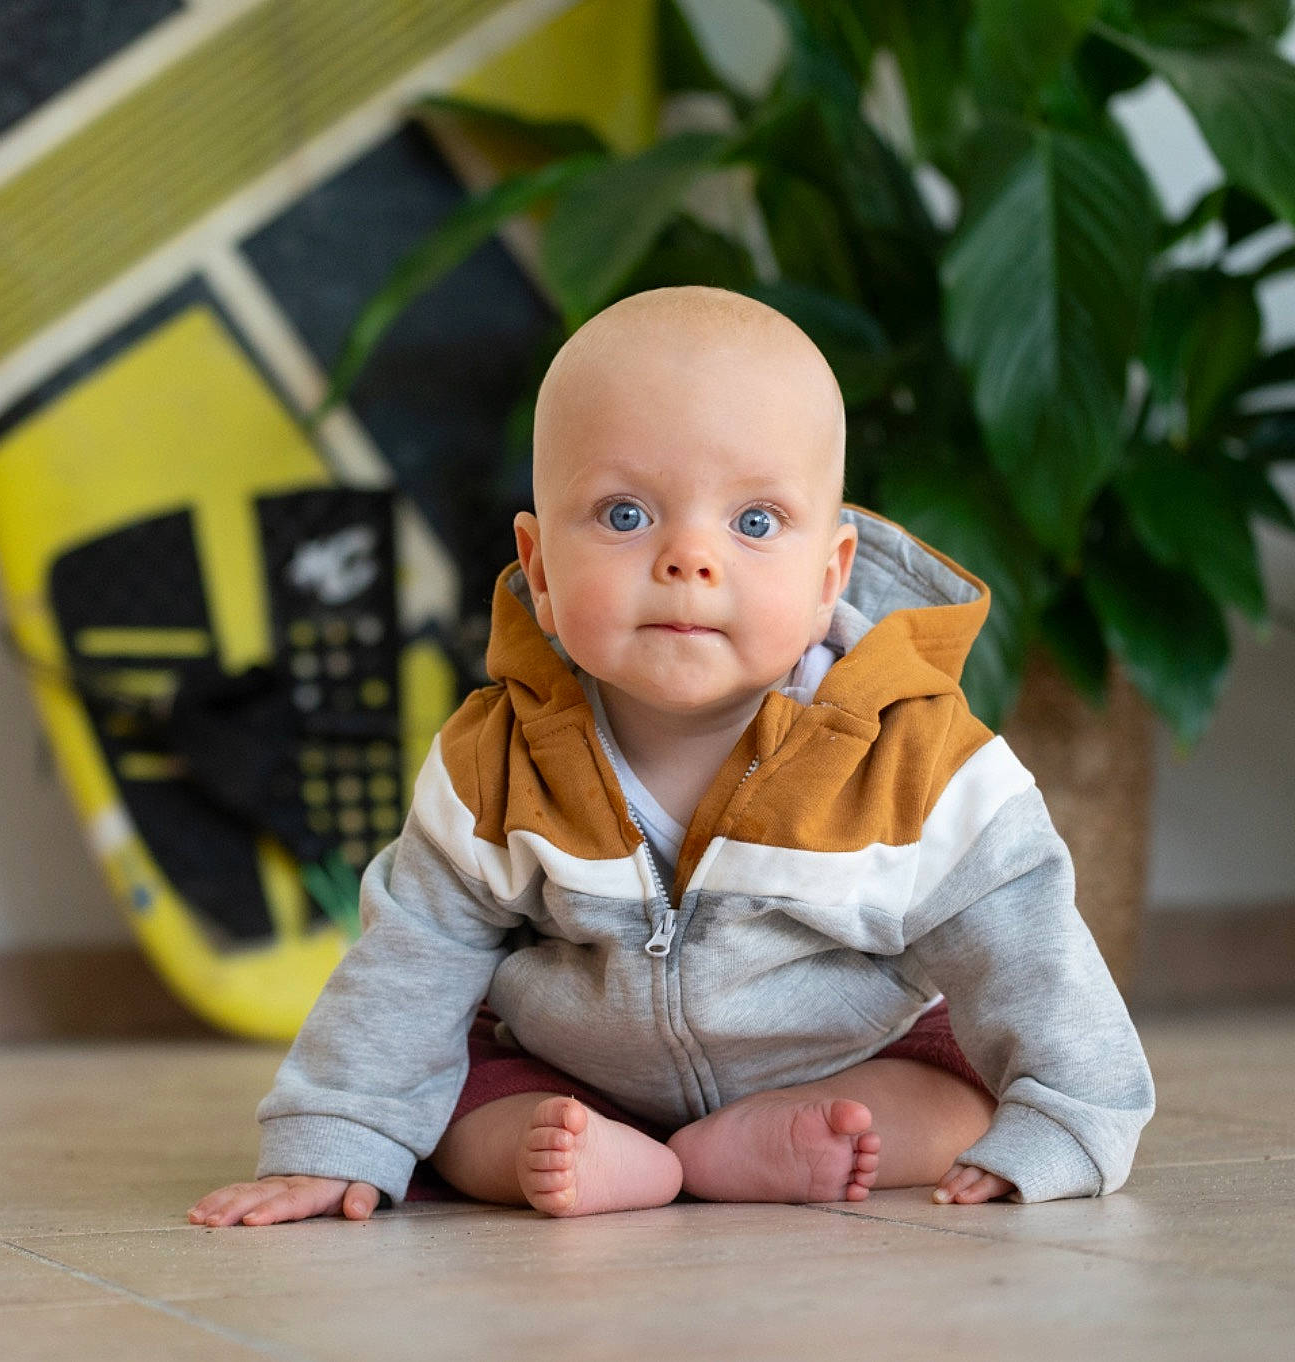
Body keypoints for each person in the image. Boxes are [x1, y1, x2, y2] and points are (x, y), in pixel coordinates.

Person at [190, 286, 1154, 1225]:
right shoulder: (498, 758)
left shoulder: (911, 754)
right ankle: (600, 1156)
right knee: (458, 1110)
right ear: (538, 569)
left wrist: (1073, 1115)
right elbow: (414, 953)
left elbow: (1026, 934)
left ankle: (748, 1143)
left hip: (844, 1061)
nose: (690, 559)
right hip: (576, 1073)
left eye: (755, 522)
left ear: (831, 578)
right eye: (624, 515)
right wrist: (338, 1134)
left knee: (958, 1104)